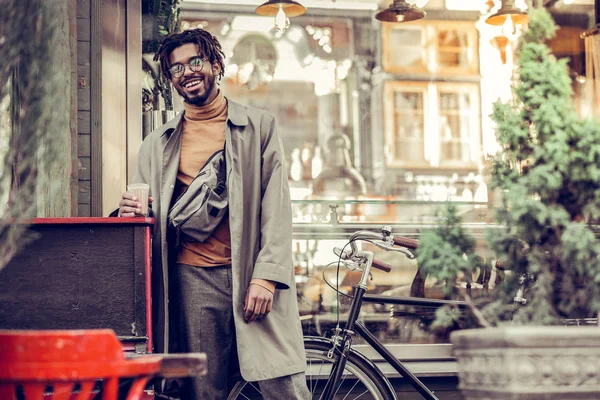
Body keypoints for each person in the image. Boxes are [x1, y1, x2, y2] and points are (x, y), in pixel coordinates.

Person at [117, 28, 310, 400]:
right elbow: (146, 219)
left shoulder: (258, 127)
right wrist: (128, 212)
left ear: (215, 65)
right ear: (171, 80)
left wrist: (267, 278)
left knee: (284, 384)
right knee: (206, 389)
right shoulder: (156, 145)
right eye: (176, 68)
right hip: (192, 280)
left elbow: (276, 207)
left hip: (250, 274)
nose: (187, 72)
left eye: (195, 61)